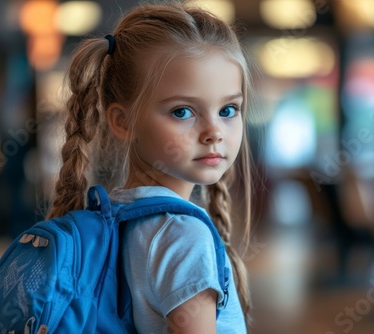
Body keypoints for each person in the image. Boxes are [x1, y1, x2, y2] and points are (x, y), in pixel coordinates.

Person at [46, 3, 254, 333]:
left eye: (229, 109)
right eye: (183, 112)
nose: (214, 131)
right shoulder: (184, 236)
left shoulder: (119, 216)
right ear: (122, 121)